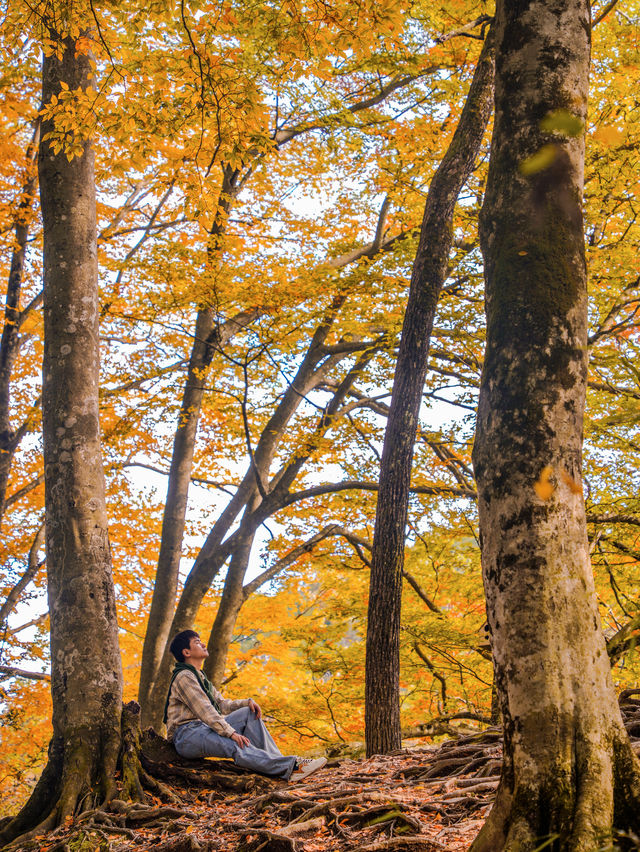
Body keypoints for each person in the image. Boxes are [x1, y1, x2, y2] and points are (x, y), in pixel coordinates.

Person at [164, 629, 326, 782]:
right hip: (186, 735)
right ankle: (291, 767)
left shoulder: (200, 677)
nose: (203, 644)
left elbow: (220, 705)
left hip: (202, 729)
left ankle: (286, 766)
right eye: (197, 642)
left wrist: (246, 702)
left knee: (248, 713)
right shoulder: (184, 676)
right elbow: (206, 711)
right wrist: (231, 733)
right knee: (236, 743)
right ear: (187, 652)